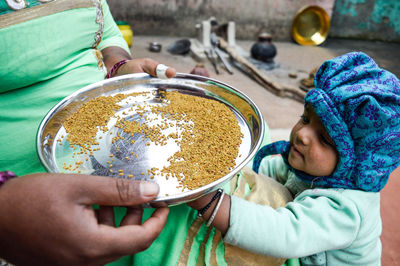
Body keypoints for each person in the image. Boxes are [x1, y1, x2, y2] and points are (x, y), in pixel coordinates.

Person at [0, 0, 176, 265]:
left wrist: (117, 66)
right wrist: (6, 211)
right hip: (26, 213)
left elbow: (104, 33)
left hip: (111, 148)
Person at [187, 52, 400, 265]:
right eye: (305, 118)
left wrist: (211, 203)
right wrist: (224, 167)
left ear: (353, 164)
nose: (302, 134)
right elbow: (265, 170)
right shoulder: (307, 164)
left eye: (325, 139)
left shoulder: (346, 209)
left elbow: (284, 233)